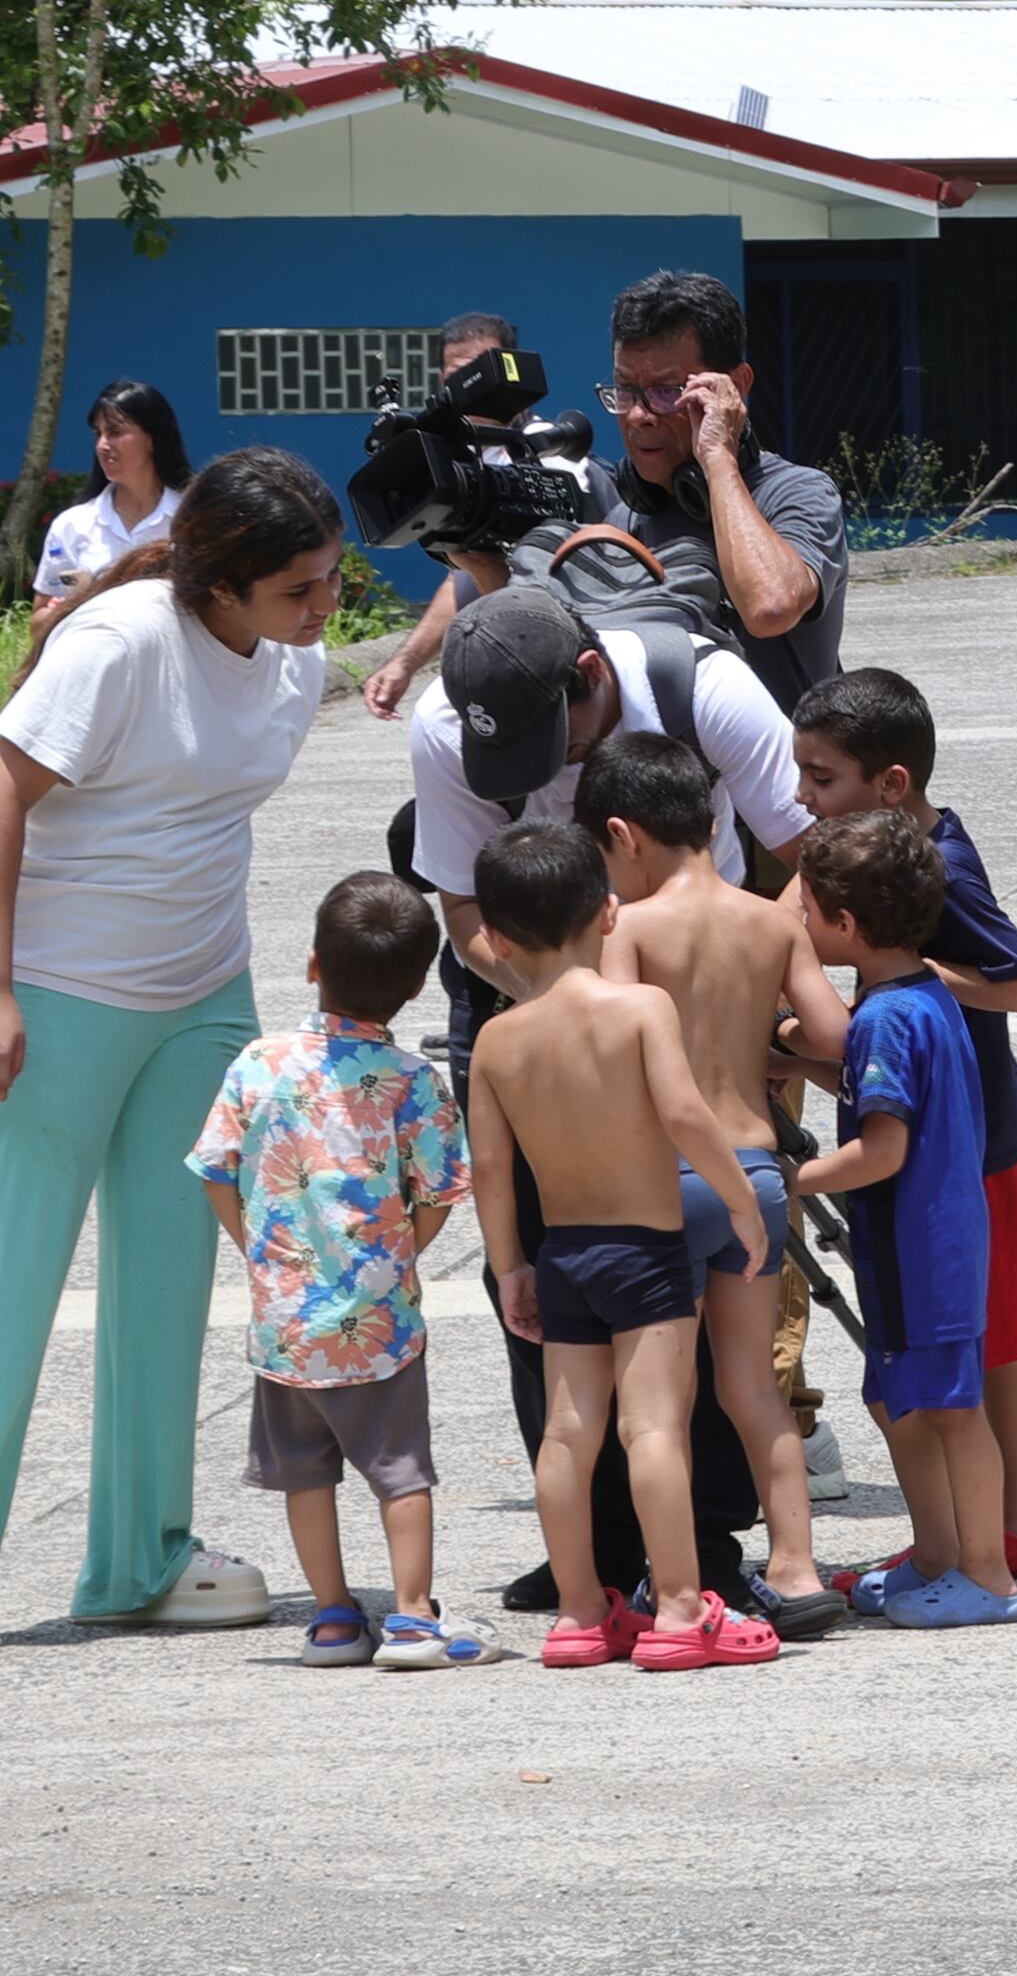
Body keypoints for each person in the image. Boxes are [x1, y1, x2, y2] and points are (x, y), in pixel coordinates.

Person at [406, 576, 812, 1609]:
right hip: (536, 1009)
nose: (535, 775)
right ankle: (587, 1546)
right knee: (555, 1304)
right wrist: (559, 1005)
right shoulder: (447, 731)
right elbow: (462, 904)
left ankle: (703, 1548)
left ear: (591, 675)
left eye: (557, 743)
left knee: (685, 1320)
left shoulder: (705, 689)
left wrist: (753, 1006)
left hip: (683, 1029)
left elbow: (810, 856)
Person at [0, 446, 343, 1629]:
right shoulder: (123, 642)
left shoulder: (293, 665)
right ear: (218, 583)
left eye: (330, 579)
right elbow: (2, 786)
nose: (324, 607)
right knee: (12, 1284)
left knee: (169, 1286)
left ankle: (137, 1563)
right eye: (300, 588)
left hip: (203, 994)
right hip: (55, 994)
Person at [460, 822, 778, 1672]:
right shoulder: (640, 1008)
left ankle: (576, 1613)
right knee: (653, 1427)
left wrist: (509, 1267)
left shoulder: (496, 1040)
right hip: (645, 1251)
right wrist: (743, 1202)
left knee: (567, 1433)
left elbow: (489, 1168)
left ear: (491, 937)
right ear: (608, 915)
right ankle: (679, 1607)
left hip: (562, 1252)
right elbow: (684, 1115)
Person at [790, 668, 1017, 1580]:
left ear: (892, 786)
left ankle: (1009, 1527)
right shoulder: (900, 855)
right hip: (963, 1122)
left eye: (822, 777)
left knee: (988, 1337)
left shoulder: (935, 874)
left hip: (975, 1141)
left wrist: (903, 972)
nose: (803, 795)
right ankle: (1012, 1520)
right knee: (993, 1335)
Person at [585, 731, 854, 1639]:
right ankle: (798, 1565)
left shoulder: (631, 929)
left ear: (623, 836)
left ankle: (677, 1587)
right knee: (754, 1388)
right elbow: (831, 1034)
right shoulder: (771, 921)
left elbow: (620, 1050)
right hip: (757, 1175)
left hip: (665, 1179)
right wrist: (763, 1052)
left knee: (658, 1405)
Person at [186, 871, 489, 1668]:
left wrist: (258, 1245)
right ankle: (415, 1614)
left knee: (303, 1474)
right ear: (419, 982)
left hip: (285, 1318)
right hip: (377, 1315)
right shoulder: (413, 1083)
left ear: (313, 962)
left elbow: (217, 1168)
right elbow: (440, 1193)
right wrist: (398, 1255)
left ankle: (330, 1615)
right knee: (401, 1471)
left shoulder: (260, 1061)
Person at [790, 810, 1017, 1631]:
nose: (799, 924)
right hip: (927, 1239)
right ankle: (935, 1556)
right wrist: (802, 1058)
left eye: (807, 911)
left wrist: (793, 1179)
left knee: (953, 1409)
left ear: (846, 925)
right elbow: (880, 1096)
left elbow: (882, 1149)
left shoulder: (886, 1018)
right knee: (902, 1402)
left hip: (921, 1244)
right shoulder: (920, 996)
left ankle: (989, 1575)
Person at [598, 270, 848, 707]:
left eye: (667, 391)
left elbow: (770, 607)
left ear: (737, 386)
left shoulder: (797, 493)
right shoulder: (625, 518)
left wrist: (717, 457)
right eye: (626, 390)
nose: (639, 415)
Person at [363, 313, 625, 721]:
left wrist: (482, 565)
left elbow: (554, 602)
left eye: (480, 373)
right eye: (456, 376)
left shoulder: (562, 468)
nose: (471, 390)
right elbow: (462, 579)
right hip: (512, 645)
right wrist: (404, 664)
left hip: (580, 664)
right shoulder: (464, 469)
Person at [30, 378, 189, 624]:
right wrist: (59, 614)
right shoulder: (73, 525)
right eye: (98, 434)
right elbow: (39, 617)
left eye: (115, 432)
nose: (103, 445)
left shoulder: (191, 518)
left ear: (153, 438)